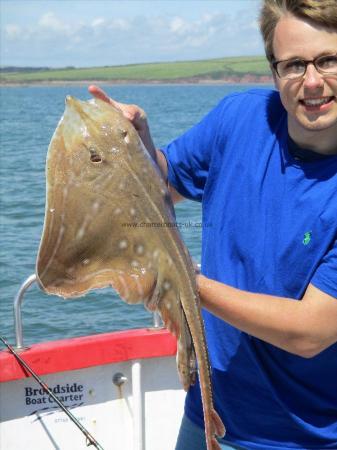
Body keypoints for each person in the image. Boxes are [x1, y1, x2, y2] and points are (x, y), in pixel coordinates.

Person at [89, 0, 337, 448]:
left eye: (329, 59)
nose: (313, 81)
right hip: (208, 414)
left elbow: (310, 331)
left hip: (307, 437)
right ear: (274, 71)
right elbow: (165, 183)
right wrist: (136, 143)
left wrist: (182, 280)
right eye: (294, 64)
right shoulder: (239, 118)